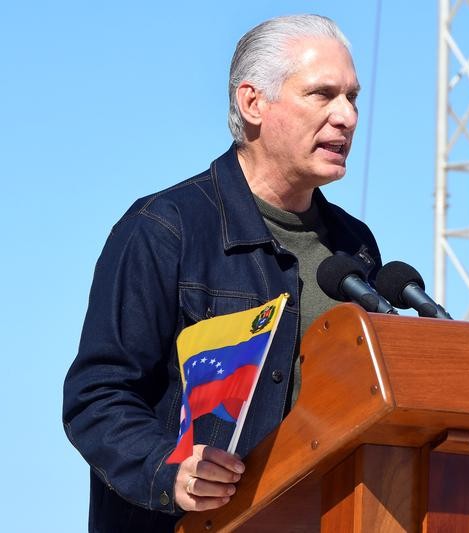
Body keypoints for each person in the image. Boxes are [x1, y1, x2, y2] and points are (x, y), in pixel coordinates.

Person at [63, 14, 381, 532]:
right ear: (252, 102)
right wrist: (169, 470)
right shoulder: (165, 229)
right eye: (322, 94)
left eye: (353, 97)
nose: (346, 116)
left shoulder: (355, 246)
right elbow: (97, 397)